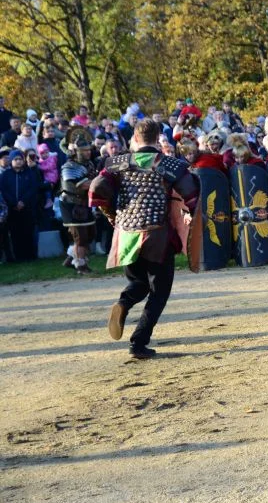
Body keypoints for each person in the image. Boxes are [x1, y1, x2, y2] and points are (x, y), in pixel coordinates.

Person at [89, 119, 199, 359]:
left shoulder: (116, 163)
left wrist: (110, 215)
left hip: (127, 234)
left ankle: (124, 303)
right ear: (158, 137)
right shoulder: (170, 164)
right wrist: (190, 214)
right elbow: (191, 193)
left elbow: (97, 188)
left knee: (138, 283)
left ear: (135, 139)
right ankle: (138, 343)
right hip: (157, 235)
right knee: (159, 291)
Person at [58, 127, 99, 274]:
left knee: (91, 234)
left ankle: (70, 258)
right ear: (76, 152)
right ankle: (81, 265)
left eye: (89, 150)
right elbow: (82, 185)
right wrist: (99, 182)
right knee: (80, 237)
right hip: (71, 205)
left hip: (84, 204)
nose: (88, 153)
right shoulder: (69, 166)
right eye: (84, 151)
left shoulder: (89, 164)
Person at [0, 150, 39, 261]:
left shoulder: (29, 173)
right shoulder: (5, 175)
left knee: (28, 232)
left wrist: (23, 202)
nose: (18, 161)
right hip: (12, 209)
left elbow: (32, 189)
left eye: (20, 159)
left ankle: (30, 256)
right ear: (11, 161)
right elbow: (4, 190)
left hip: (27, 209)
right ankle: (19, 257)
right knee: (15, 233)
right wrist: (13, 203)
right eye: (15, 159)